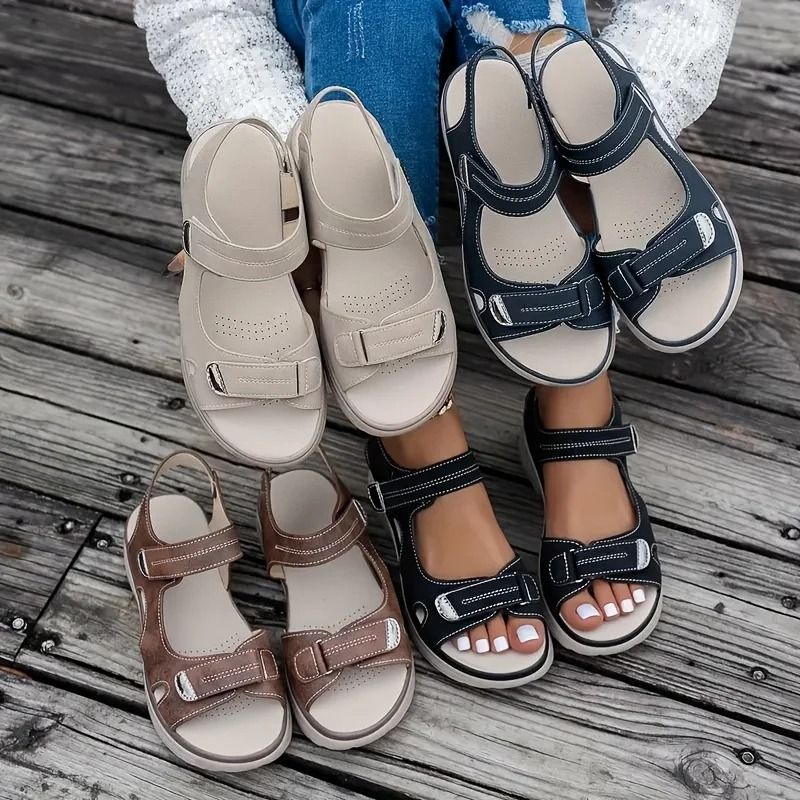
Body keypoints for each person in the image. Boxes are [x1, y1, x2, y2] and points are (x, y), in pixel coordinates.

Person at [135, 0, 741, 657]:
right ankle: (422, 434)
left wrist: (597, 103)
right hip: (355, 93)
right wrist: (297, 169)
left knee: (525, 35)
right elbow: (201, 15)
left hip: (514, 115)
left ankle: (573, 392)